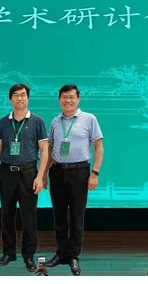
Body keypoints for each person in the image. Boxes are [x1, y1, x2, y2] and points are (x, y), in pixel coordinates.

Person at [44, 84, 104, 276]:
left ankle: (73, 256)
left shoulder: (89, 119)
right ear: (59, 100)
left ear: (78, 99)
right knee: (59, 215)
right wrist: (43, 173)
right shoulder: (55, 122)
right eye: (64, 97)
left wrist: (94, 173)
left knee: (77, 216)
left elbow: (99, 147)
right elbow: (50, 148)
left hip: (79, 172)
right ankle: (61, 253)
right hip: (57, 172)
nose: (67, 100)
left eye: (71, 97)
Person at [0, 83, 49, 272]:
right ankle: (8, 253)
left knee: (29, 217)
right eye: (16, 95)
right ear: (10, 99)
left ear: (28, 98)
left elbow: (44, 150)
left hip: (28, 173)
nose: (19, 98)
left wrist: (40, 177)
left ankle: (29, 256)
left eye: (23, 95)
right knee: (6, 215)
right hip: (7, 173)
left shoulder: (37, 121)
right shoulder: (3, 122)